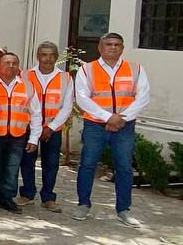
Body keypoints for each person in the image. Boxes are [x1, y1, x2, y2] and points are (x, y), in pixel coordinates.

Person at [73, 32, 151, 227]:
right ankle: (83, 204)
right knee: (88, 165)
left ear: (122, 48)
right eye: (109, 44)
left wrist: (120, 118)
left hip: (124, 126)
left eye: (117, 44)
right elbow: (83, 98)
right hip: (95, 126)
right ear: (100, 48)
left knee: (124, 168)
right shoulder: (87, 70)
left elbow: (143, 97)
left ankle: (123, 210)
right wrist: (108, 117)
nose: (113, 47)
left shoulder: (136, 69)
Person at [0, 52, 40, 214]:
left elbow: (36, 113)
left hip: (18, 135)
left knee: (12, 169)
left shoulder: (27, 86)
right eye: (7, 63)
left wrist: (34, 138)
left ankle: (6, 198)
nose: (11, 66)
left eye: (14, 63)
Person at [19, 41, 71, 212]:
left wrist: (51, 126)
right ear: (37, 56)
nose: (47, 59)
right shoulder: (25, 75)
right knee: (27, 161)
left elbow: (67, 106)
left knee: (51, 163)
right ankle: (27, 193)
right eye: (44, 54)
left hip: (52, 129)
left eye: (51, 55)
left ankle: (48, 197)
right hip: (28, 127)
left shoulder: (65, 78)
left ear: (56, 57)